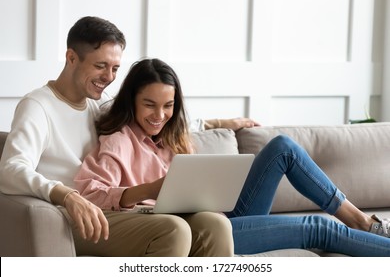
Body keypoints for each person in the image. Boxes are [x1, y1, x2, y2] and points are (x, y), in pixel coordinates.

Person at [74, 58, 390, 257]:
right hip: (202, 231)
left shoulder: (174, 135)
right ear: (132, 100)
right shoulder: (118, 141)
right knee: (319, 228)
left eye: (168, 106)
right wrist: (149, 190)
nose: (159, 115)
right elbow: (90, 194)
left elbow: (190, 133)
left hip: (221, 216)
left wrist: (224, 126)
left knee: (282, 147)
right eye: (149, 105)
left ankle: (360, 219)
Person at [0, 16, 252, 257]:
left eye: (115, 68)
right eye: (100, 66)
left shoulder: (98, 104)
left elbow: (156, 117)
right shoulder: (38, 106)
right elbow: (11, 168)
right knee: (173, 231)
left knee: (215, 225)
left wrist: (218, 123)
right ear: (71, 57)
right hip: (67, 215)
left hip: (107, 211)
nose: (109, 77)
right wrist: (67, 195)